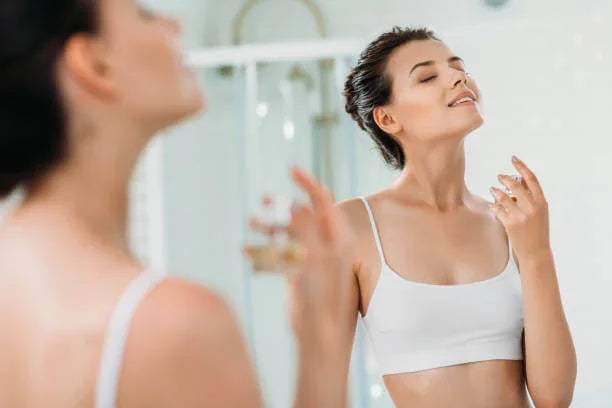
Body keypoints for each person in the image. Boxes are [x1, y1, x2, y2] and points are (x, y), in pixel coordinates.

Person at [0, 0, 354, 406]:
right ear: (95, 65)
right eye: (145, 14)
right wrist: (325, 331)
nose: (173, 24)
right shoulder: (172, 328)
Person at [335, 26, 577, 407]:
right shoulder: (352, 225)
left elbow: (555, 398)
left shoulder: (509, 221)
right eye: (428, 76)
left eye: (457, 68)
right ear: (388, 119)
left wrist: (536, 253)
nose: (457, 77)